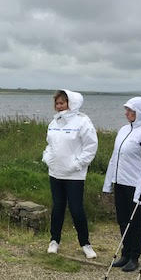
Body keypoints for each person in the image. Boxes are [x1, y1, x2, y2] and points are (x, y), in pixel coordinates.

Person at [102, 97, 141, 272]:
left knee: (135, 221)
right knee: (122, 219)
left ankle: (135, 256)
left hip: (136, 184)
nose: (127, 113)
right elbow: (115, 157)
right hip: (120, 182)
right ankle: (125, 253)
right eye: (126, 110)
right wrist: (108, 182)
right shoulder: (123, 130)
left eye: (131, 111)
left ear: (140, 112)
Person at [42, 89, 98, 259]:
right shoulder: (54, 123)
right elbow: (50, 145)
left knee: (76, 209)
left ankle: (85, 244)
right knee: (57, 207)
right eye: (57, 103)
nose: (59, 106)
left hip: (74, 175)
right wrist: (47, 158)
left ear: (71, 103)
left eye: (62, 103)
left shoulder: (82, 122)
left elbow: (91, 146)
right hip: (55, 173)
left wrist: (77, 164)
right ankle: (54, 241)